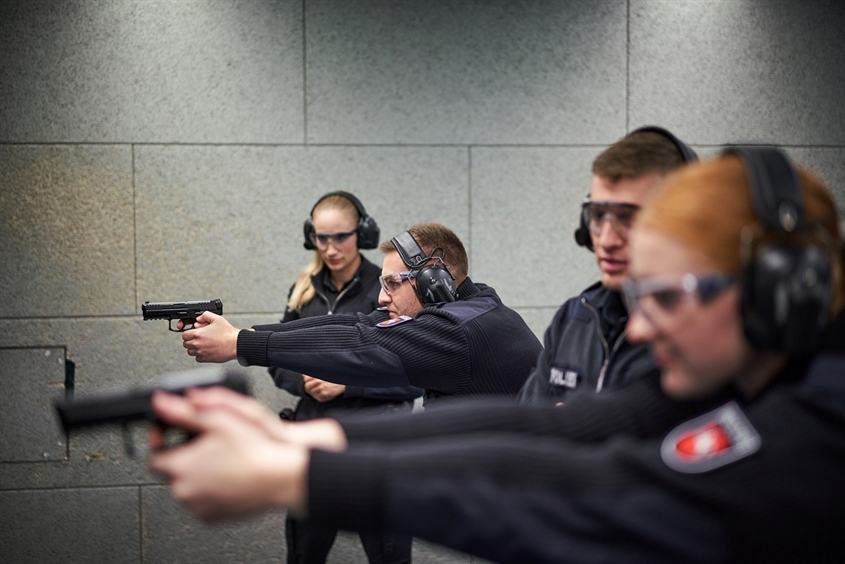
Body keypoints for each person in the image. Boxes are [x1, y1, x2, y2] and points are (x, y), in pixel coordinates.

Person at [150, 148, 845, 563]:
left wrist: (294, 474)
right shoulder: (742, 374)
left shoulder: (818, 435)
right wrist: (297, 445)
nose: (637, 329)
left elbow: (586, 495)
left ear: (776, 295)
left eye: (664, 296)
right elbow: (542, 430)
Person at [178, 222, 542, 404]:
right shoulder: (478, 304)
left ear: (433, 280)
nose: (382, 298)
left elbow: (359, 342)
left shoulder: (458, 331)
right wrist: (242, 334)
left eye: (393, 283)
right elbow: (359, 324)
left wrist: (240, 344)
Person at [272, 191, 420, 564]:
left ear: (363, 234)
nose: (331, 247)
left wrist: (348, 384)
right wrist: (302, 382)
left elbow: (419, 374)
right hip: (313, 446)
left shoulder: (390, 288)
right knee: (304, 554)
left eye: (341, 236)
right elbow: (276, 356)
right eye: (322, 237)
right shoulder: (304, 291)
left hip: (374, 449)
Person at [518, 126, 696, 404]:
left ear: (683, 223)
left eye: (628, 218)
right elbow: (525, 424)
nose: (607, 240)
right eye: (598, 215)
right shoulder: (573, 319)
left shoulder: (700, 336)